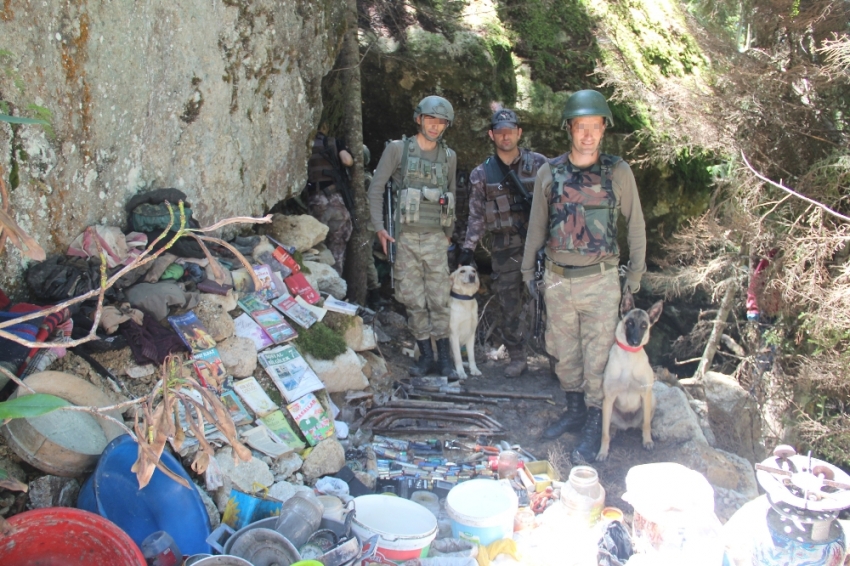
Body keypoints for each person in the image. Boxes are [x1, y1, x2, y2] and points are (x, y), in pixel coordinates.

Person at [521, 89, 647, 462]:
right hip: (558, 280)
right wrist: (529, 269)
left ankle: (595, 419)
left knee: (596, 357)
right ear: (570, 130)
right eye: (581, 127)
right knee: (563, 352)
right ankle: (574, 409)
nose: (588, 135)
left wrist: (634, 277)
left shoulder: (618, 172)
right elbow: (537, 226)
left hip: (602, 280)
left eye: (595, 126)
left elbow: (635, 226)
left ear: (604, 129)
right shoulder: (550, 172)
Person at [368, 95, 459, 378]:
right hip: (404, 237)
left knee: (439, 299)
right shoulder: (398, 150)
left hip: (435, 238)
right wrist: (379, 228)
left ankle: (445, 359)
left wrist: (448, 235)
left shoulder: (449, 156)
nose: (435, 126)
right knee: (413, 299)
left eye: (441, 122)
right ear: (419, 119)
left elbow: (452, 194)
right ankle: (426, 357)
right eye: (430, 120)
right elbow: (377, 188)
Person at [459, 108, 547, 378]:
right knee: (509, 303)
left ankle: (557, 359)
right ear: (491, 135)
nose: (505, 136)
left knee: (549, 302)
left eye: (510, 130)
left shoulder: (542, 164)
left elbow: (560, 204)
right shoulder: (482, 174)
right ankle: (517, 356)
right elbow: (476, 216)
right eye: (500, 131)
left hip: (542, 247)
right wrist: (467, 251)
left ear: (519, 132)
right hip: (505, 247)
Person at [304, 126, 354, 275]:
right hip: (336, 199)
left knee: (316, 244)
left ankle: (317, 282)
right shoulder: (334, 142)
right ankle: (335, 281)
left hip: (316, 199)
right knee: (337, 245)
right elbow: (347, 161)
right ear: (325, 127)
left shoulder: (306, 144)